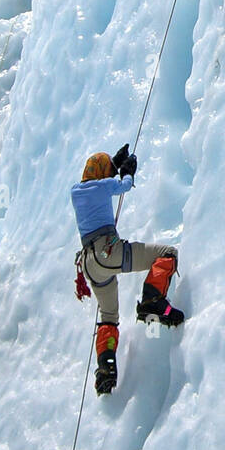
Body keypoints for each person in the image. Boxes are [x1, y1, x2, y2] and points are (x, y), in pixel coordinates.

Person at [71, 144, 183, 394]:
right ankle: (152, 301)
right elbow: (123, 186)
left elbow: (101, 181)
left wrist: (113, 164)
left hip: (90, 264)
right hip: (108, 253)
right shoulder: (103, 186)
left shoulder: (76, 191)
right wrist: (128, 171)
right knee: (167, 254)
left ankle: (105, 369)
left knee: (108, 316)